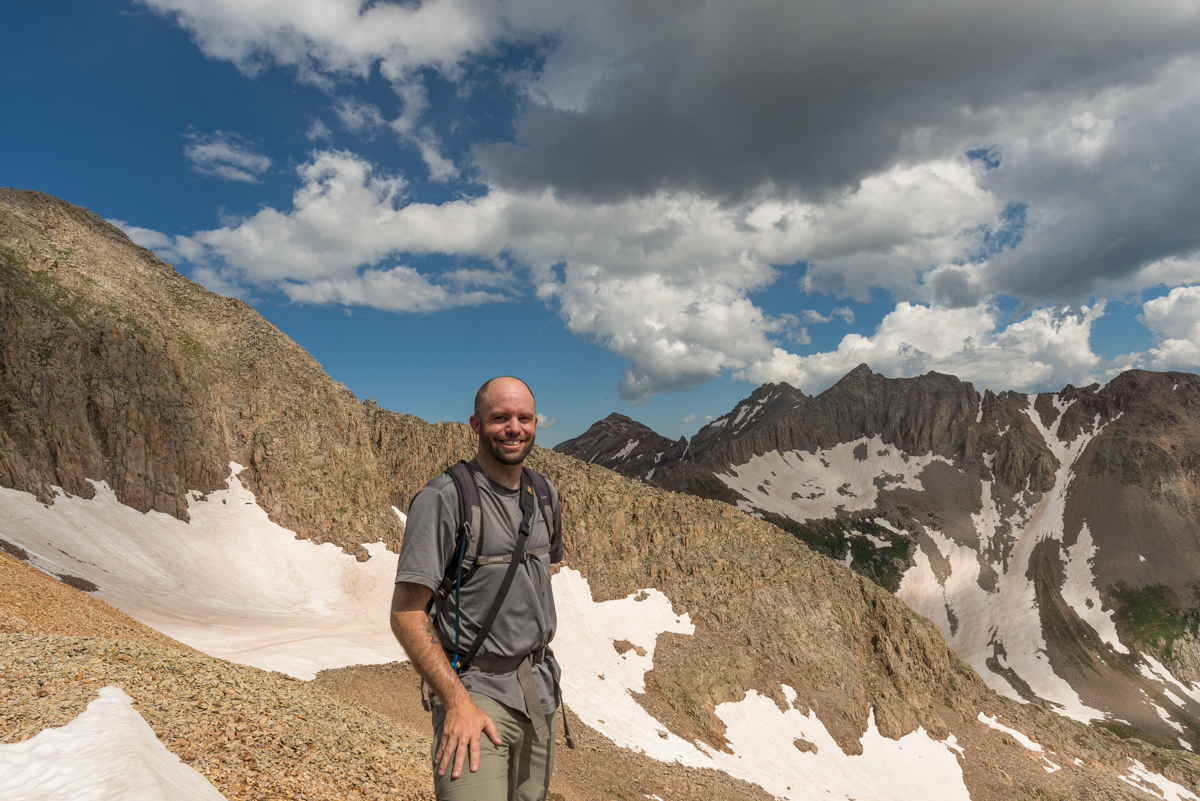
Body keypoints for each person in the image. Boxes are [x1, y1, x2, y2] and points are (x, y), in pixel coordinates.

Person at [390, 376, 563, 801]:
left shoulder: (543, 493)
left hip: (539, 693)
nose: (514, 428)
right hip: (476, 692)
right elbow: (406, 614)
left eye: (524, 418)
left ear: (536, 422)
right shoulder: (444, 498)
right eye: (500, 418)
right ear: (475, 423)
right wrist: (457, 702)